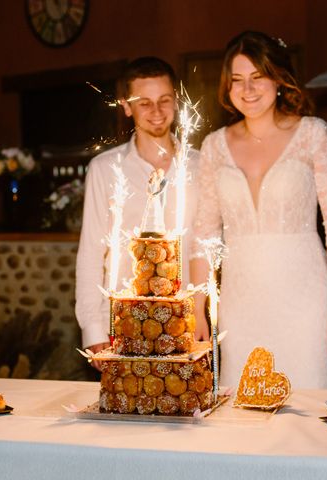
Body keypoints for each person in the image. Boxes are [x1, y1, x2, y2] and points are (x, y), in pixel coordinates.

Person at [190, 31, 327, 389]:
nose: (247, 89)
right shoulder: (214, 146)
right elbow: (204, 234)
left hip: (306, 303)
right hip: (240, 305)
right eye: (237, 80)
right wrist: (196, 306)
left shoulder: (313, 134)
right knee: (244, 416)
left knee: (312, 407)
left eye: (257, 77)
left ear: (278, 79)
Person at [76, 57, 200, 370]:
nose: (156, 112)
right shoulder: (104, 169)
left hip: (187, 326)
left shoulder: (201, 165)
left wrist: (203, 317)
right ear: (127, 106)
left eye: (164, 101)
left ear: (177, 101)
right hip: (122, 326)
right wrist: (93, 327)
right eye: (144, 103)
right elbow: (91, 252)